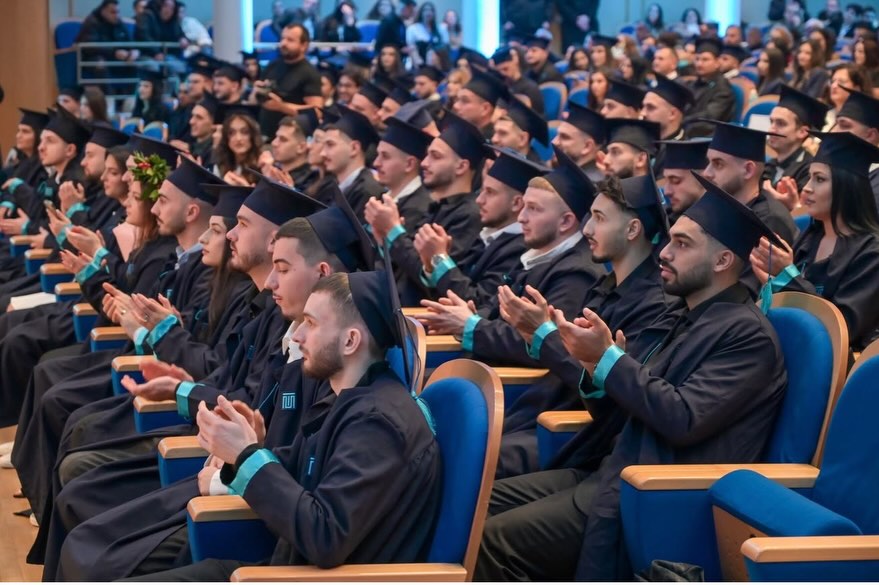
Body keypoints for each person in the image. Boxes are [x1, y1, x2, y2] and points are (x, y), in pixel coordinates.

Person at [474, 171, 788, 581]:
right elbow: (618, 412)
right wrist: (593, 365)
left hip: (656, 491)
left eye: (682, 244)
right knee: (478, 504)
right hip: (612, 468)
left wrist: (608, 360)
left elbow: (682, 419)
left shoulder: (746, 335)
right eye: (670, 239)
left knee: (492, 539)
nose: (664, 253)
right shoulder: (683, 316)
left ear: (723, 260)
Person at [79, 269, 441, 582]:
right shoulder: (355, 398)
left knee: (106, 567)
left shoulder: (378, 423)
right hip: (283, 560)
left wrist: (246, 454)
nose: (296, 337)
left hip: (303, 575)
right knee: (103, 557)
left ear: (350, 340)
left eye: (311, 324)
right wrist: (235, 463)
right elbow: (302, 467)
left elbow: (326, 536)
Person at [494, 171, 672, 477]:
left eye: (599, 218)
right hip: (540, 412)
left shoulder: (655, 304)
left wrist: (543, 334)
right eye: (589, 217)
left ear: (632, 229)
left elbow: (609, 389)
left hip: (576, 433)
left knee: (461, 460)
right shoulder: (607, 285)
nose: (587, 229)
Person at [418, 145, 604, 369]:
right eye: (524, 206)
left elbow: (542, 345)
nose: (522, 217)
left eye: (534, 209)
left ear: (565, 221)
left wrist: (471, 325)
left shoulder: (577, 274)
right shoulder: (534, 254)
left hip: (518, 387)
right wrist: (468, 314)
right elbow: (494, 307)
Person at [753, 131, 879, 352]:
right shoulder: (811, 235)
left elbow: (842, 327)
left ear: (846, 187)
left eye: (819, 179)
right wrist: (772, 283)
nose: (807, 187)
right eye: (809, 177)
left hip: (827, 366)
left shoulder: (871, 253)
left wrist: (786, 276)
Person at [366, 112, 486, 305]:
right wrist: (384, 240)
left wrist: (393, 232)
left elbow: (429, 280)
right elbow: (404, 265)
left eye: (435, 156)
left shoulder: (470, 215)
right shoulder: (437, 206)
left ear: (461, 166)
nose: (424, 163)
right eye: (427, 154)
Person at [418, 146, 543, 307]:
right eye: (481, 190)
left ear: (517, 203)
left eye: (490, 192)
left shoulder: (520, 249)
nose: (479, 200)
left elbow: (477, 303)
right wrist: (430, 262)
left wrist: (440, 259)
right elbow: (440, 297)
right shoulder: (486, 235)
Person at [254, 23, 323, 139]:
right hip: (265, 134)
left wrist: (282, 106)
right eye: (282, 39)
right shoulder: (273, 65)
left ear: (303, 46)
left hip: (292, 138)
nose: (283, 43)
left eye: (290, 40)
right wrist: (258, 91)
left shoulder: (310, 73)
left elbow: (316, 112)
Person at [763, 86, 829, 200]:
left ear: (802, 132)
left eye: (780, 123)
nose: (771, 130)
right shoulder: (769, 165)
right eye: (771, 122)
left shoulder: (809, 173)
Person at [322, 105, 384, 220]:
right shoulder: (329, 186)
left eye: (330, 145)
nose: (323, 154)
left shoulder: (367, 192)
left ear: (354, 148)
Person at [373, 117, 434, 232]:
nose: (376, 163)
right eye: (378, 155)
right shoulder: (381, 197)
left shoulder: (418, 209)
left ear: (409, 164)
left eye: (385, 156)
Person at [75, 0, 136, 89]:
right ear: (103, 11)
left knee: (136, 62)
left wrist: (133, 51)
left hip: (116, 57)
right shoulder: (92, 21)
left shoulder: (119, 22)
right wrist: (114, 52)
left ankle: (130, 99)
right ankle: (109, 98)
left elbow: (130, 41)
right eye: (113, 12)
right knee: (100, 64)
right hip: (93, 57)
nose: (116, 15)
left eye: (118, 12)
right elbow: (90, 47)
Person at [641, 74, 694, 176]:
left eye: (650, 107)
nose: (642, 113)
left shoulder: (681, 154)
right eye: (643, 107)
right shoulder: (645, 142)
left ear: (672, 114)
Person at [684, 37, 737, 136]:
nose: (699, 64)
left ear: (717, 63)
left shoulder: (723, 88)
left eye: (705, 59)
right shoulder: (692, 84)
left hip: (708, 134)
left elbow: (710, 116)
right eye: (697, 59)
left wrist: (683, 121)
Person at [659, 138, 711, 221]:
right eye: (666, 181)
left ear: (703, 179)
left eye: (675, 181)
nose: (666, 192)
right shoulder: (665, 222)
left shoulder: (724, 223)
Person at [552, 102, 606, 181]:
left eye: (564, 137)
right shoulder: (570, 176)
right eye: (557, 135)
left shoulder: (593, 186)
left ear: (587, 146)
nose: (554, 142)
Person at [453, 66, 509, 139]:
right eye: (457, 100)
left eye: (465, 101)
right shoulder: (463, 133)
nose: (455, 106)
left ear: (485, 109)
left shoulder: (492, 144)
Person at [490, 46, 546, 116]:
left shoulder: (530, 88)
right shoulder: (503, 87)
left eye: (505, 69)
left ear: (515, 60)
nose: (503, 73)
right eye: (500, 71)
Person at [213, 108, 263, 185]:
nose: (238, 138)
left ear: (253, 136)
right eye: (231, 133)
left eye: (245, 132)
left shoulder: (262, 167)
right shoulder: (220, 166)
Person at [134, 0, 186, 74]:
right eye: (166, 6)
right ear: (159, 5)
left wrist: (183, 38)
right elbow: (143, 36)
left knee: (179, 67)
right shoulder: (146, 16)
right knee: (153, 66)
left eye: (172, 8)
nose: (168, 10)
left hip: (166, 55)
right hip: (145, 54)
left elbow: (179, 33)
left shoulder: (173, 20)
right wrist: (156, 52)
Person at [492, 97, 549, 163]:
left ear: (522, 139)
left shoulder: (535, 172)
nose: (494, 139)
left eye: (502, 133)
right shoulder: (490, 162)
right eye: (494, 132)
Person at [824, 64, 872, 131]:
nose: (834, 86)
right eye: (833, 81)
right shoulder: (829, 115)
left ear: (857, 88)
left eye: (841, 82)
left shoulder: (862, 122)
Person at [406, 2, 449, 67]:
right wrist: (418, 62)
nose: (428, 12)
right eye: (425, 10)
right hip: (419, 63)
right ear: (421, 12)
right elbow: (411, 48)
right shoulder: (413, 28)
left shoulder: (440, 29)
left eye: (431, 10)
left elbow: (445, 46)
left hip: (437, 65)